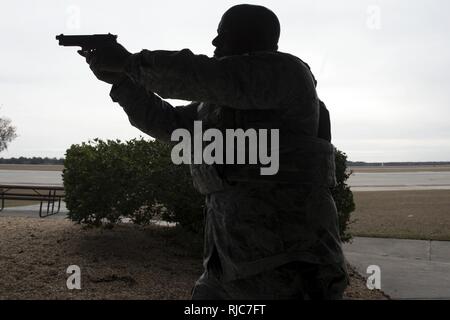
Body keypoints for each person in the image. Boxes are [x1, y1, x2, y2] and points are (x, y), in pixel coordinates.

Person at [79, 4, 348, 299]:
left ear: (254, 37)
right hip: (227, 263)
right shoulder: (216, 104)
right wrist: (122, 81)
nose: (215, 43)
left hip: (291, 265)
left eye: (223, 34)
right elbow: (169, 123)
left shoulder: (287, 74)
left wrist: (131, 63)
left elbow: (205, 76)